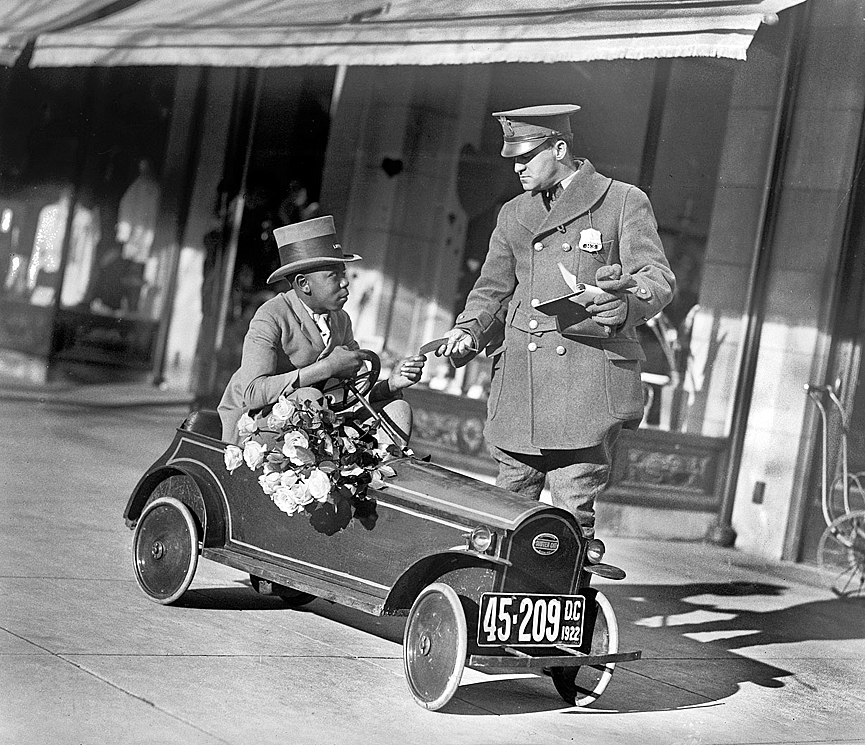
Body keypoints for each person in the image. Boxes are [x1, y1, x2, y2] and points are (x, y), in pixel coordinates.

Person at [439, 104, 675, 543]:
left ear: (560, 148)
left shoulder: (621, 200)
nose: (518, 169)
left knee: (570, 521)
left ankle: (564, 600)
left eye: (527, 159)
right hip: (521, 386)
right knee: (503, 516)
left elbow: (656, 278)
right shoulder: (513, 213)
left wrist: (623, 305)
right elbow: (492, 287)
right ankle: (495, 601)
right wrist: (468, 328)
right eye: (513, 161)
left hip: (584, 387)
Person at [218, 215, 425, 446]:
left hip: (318, 421)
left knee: (398, 409)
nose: (345, 283)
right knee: (309, 399)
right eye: (333, 276)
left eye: (343, 274)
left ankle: (379, 474)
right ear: (303, 283)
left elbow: (354, 392)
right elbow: (253, 393)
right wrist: (325, 368)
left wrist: (391, 385)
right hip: (255, 427)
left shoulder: (340, 319)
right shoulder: (271, 315)